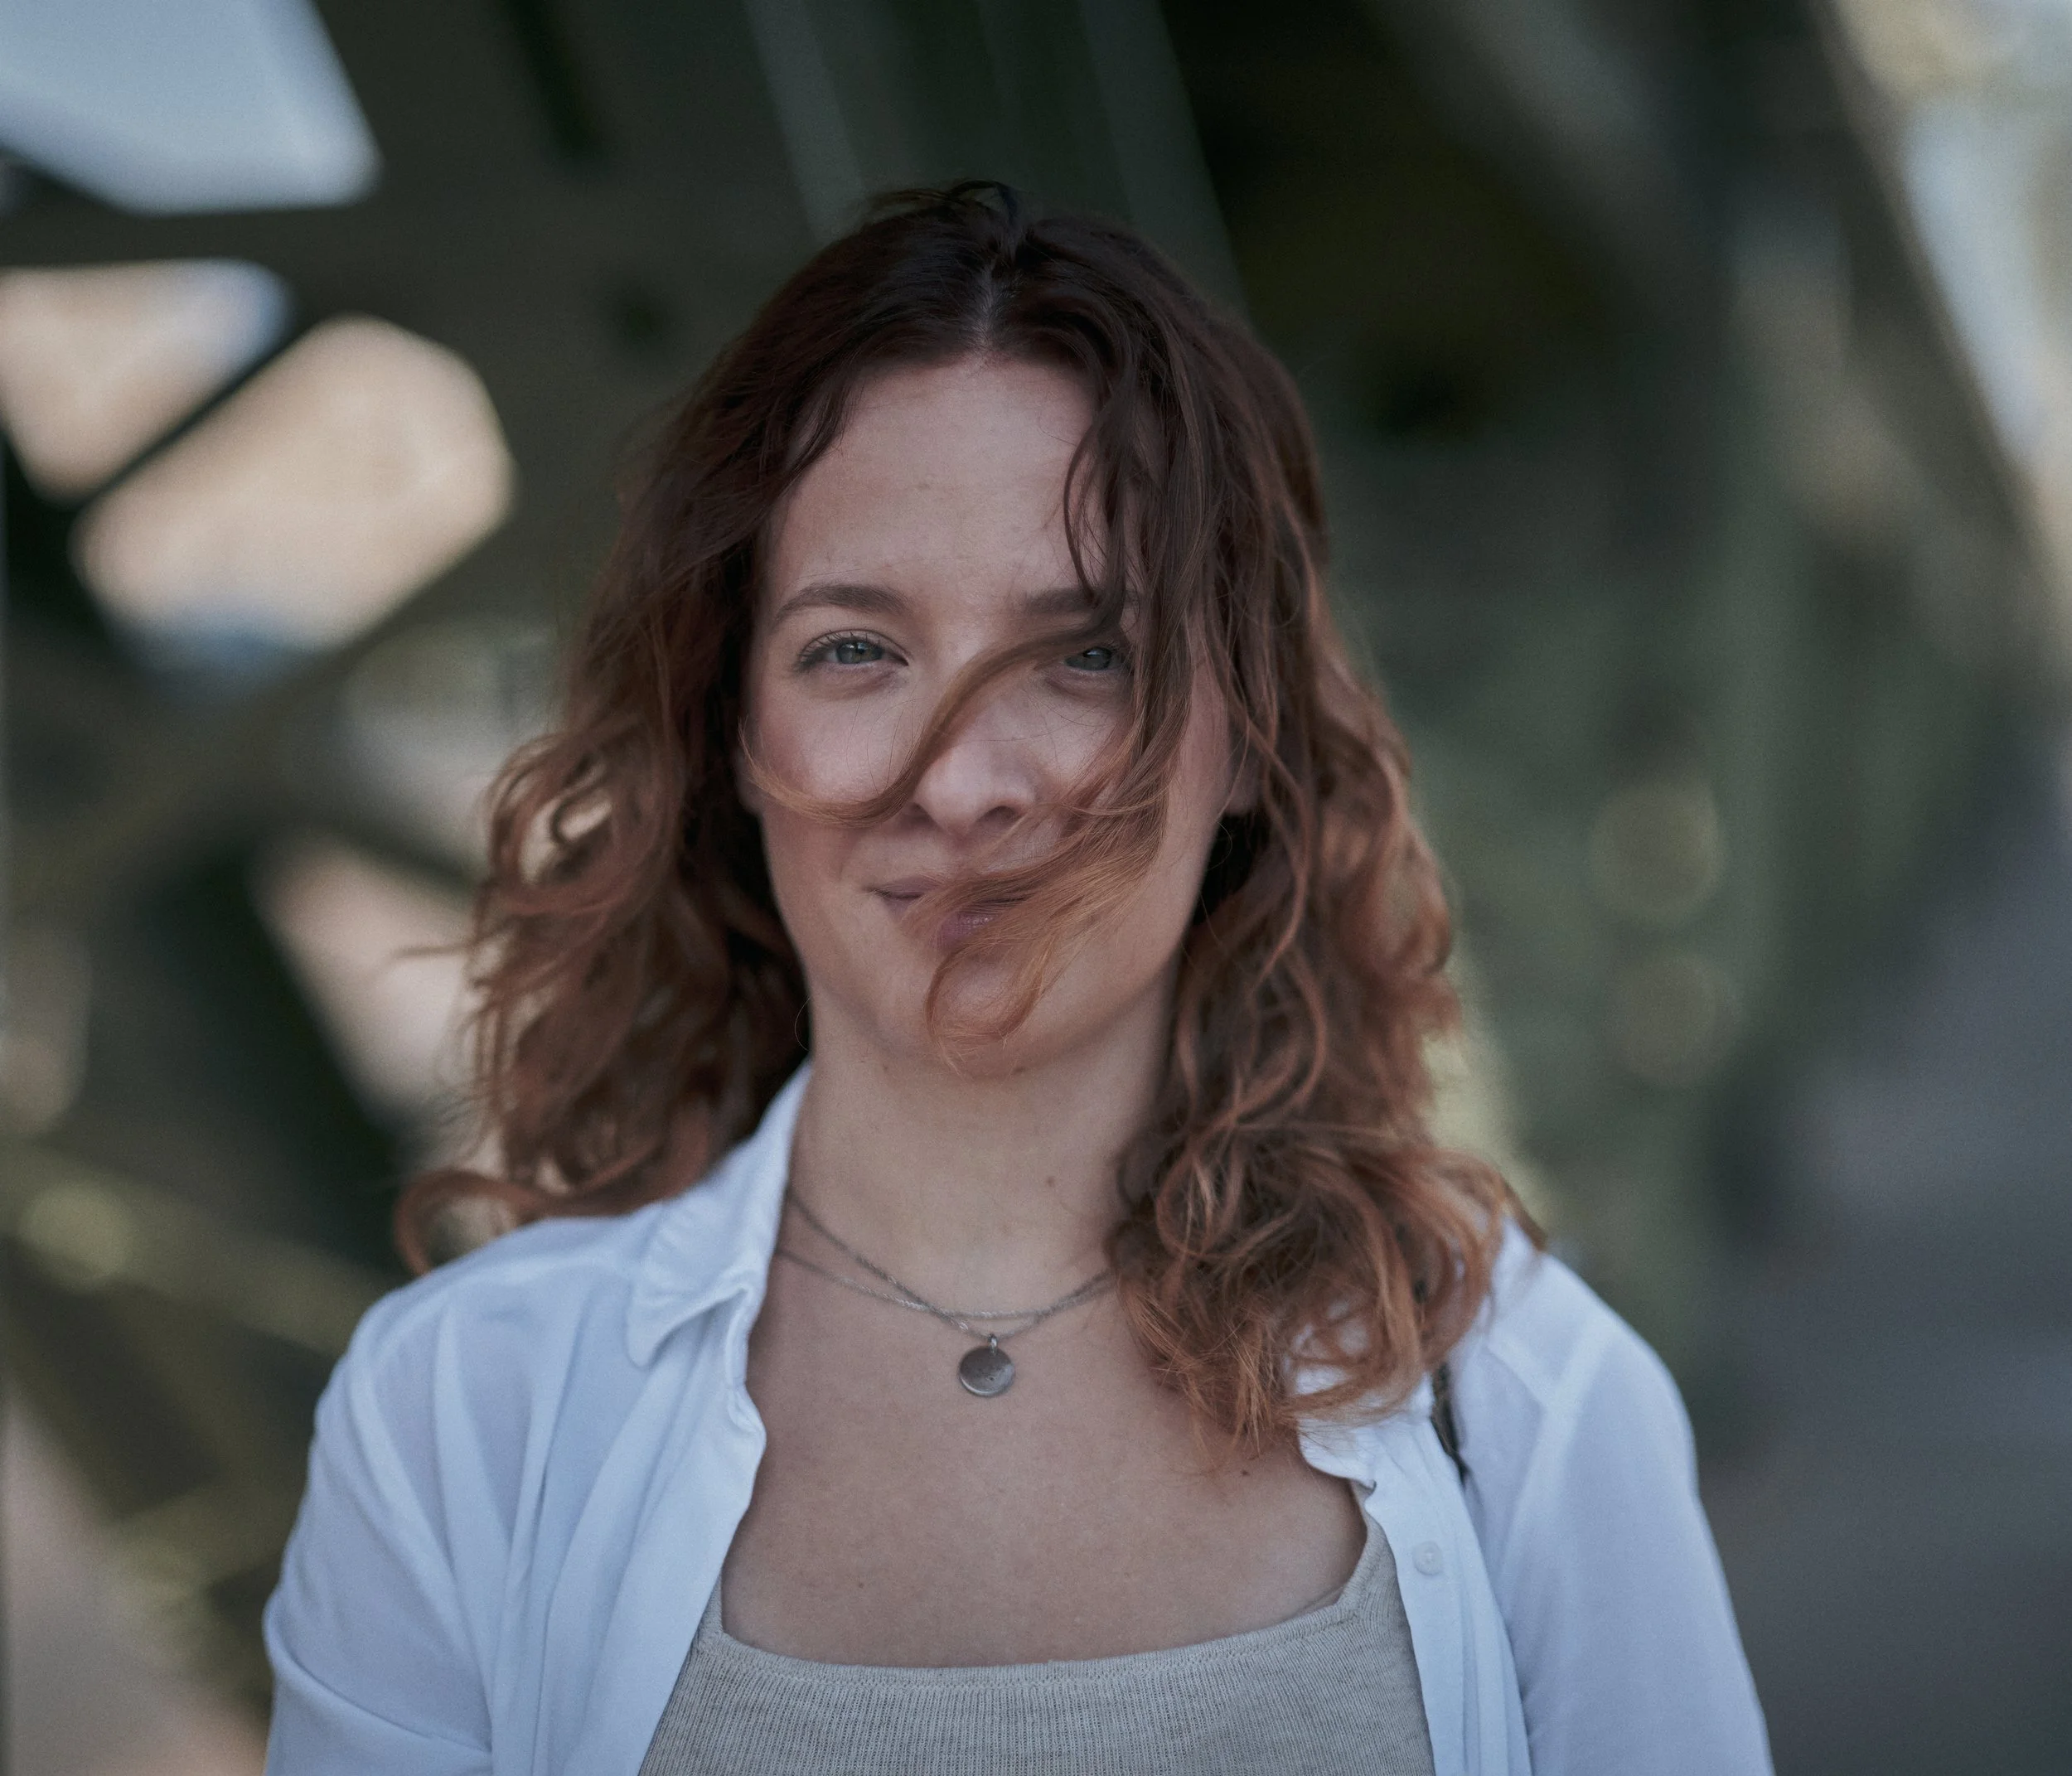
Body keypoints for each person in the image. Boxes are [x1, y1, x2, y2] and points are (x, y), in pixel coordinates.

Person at [262, 184, 1770, 1775]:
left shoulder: (1525, 1396)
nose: (966, 779)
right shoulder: (461, 1416)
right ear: (732, 737)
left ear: (1249, 734)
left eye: (1088, 654)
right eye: (856, 649)